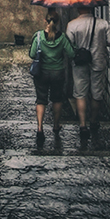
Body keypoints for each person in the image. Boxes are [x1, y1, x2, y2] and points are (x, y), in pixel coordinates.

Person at [66, 5, 110, 141]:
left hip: (80, 63)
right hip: (98, 61)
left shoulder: (72, 25)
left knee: (80, 94)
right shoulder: (103, 24)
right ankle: (93, 121)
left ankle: (82, 125)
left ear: (78, 9)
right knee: (96, 93)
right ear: (92, 8)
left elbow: (69, 44)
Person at [29, 9, 75, 146]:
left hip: (41, 73)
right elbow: (71, 53)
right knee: (57, 99)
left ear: (45, 21)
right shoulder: (62, 38)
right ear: (58, 22)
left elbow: (32, 54)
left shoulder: (38, 36)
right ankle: (56, 125)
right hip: (57, 73)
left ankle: (39, 128)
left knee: (41, 100)